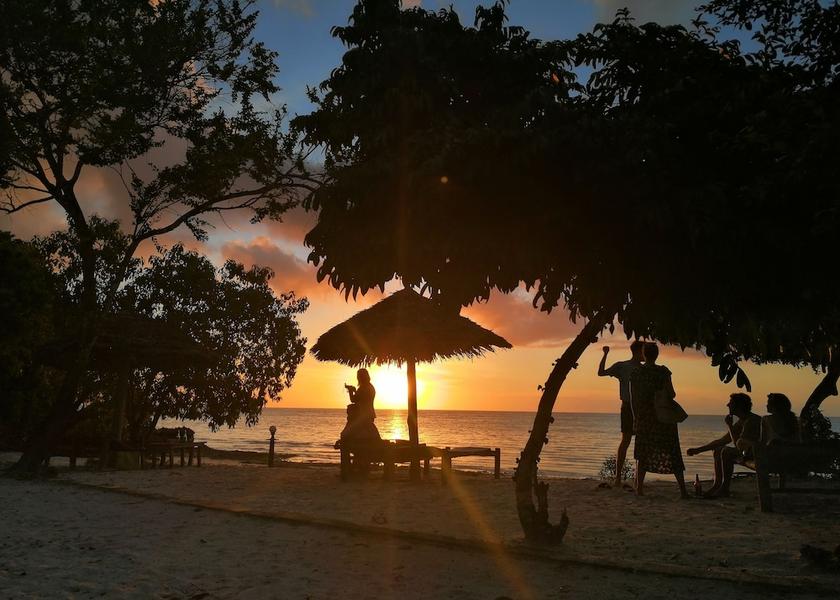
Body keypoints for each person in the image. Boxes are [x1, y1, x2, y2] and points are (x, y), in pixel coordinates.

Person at [629, 342, 688, 497]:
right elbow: (672, 394)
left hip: (645, 417)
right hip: (663, 416)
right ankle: (683, 490)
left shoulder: (636, 373)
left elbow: (634, 399)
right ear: (657, 355)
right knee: (673, 451)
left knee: (643, 453)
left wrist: (636, 419)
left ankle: (639, 489)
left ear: (643, 354)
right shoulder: (663, 372)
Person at [687, 393, 761, 498]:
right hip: (748, 452)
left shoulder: (751, 421)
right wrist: (698, 450)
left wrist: (730, 426)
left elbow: (739, 446)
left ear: (738, 406)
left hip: (755, 454)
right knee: (718, 449)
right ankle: (717, 486)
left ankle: (724, 488)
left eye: (730, 403)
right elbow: (722, 441)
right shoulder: (742, 420)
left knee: (726, 451)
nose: (727, 405)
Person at [597, 340, 645, 487]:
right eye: (643, 350)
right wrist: (605, 354)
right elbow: (601, 373)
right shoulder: (623, 366)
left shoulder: (645, 369)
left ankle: (638, 480)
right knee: (626, 441)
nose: (645, 354)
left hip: (642, 408)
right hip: (627, 407)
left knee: (641, 442)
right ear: (638, 352)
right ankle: (618, 478)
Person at [339, 368, 381, 444]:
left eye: (358, 376)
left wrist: (351, 391)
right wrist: (354, 390)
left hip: (363, 415)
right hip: (369, 413)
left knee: (347, 433)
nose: (358, 378)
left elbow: (354, 399)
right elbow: (362, 398)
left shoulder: (363, 387)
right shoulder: (370, 387)